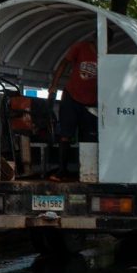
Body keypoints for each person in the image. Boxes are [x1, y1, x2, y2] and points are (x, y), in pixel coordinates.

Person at [47, 34, 106, 179]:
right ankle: (62, 171)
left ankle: (88, 173)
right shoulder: (80, 47)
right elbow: (63, 63)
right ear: (94, 39)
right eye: (98, 40)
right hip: (71, 97)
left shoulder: (106, 56)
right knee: (65, 135)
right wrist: (54, 85)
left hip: (91, 102)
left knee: (89, 137)